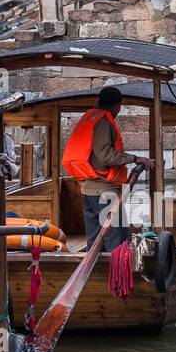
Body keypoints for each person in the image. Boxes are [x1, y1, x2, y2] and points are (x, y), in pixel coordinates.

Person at [60, 86, 153, 253]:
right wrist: (135, 158)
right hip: (104, 191)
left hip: (89, 189)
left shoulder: (89, 118)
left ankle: (97, 275)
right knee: (117, 241)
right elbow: (105, 156)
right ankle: (117, 277)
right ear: (118, 105)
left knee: (95, 241)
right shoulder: (103, 121)